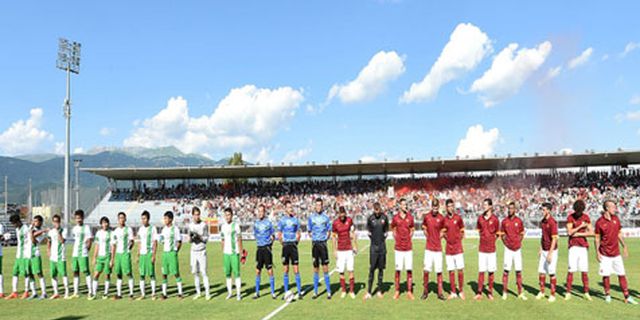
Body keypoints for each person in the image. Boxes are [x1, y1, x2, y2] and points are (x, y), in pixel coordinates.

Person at [595, 200, 638, 304]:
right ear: (607, 208)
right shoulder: (599, 222)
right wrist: (597, 252)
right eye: (613, 207)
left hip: (616, 253)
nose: (615, 209)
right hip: (604, 254)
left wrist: (624, 246)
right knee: (606, 275)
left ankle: (627, 296)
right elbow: (597, 238)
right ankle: (607, 295)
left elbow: (619, 234)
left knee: (622, 274)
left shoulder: (616, 219)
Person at [565, 199, 593, 301]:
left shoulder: (586, 217)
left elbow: (591, 233)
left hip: (583, 247)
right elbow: (569, 232)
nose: (579, 213)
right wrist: (580, 226)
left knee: (584, 270)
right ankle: (568, 292)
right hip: (573, 247)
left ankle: (586, 292)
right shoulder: (570, 217)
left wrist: (579, 234)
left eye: (580, 211)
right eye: (577, 211)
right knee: (571, 270)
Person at [500, 202, 526, 300]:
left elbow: (522, 233)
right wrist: (506, 243)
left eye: (512, 208)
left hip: (517, 249)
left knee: (518, 271)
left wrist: (518, 241)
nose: (510, 210)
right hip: (508, 250)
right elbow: (502, 234)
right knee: (506, 271)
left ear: (515, 210)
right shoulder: (504, 221)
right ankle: (504, 292)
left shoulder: (519, 221)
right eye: (509, 208)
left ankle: (520, 293)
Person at [278, 200, 303, 300]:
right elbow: (279, 234)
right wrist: (282, 243)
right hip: (285, 246)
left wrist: (296, 242)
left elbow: (299, 233)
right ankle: (286, 292)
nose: (290, 209)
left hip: (293, 246)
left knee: (296, 269)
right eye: (288, 207)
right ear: (285, 209)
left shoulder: (295, 220)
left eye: (291, 207)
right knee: (286, 270)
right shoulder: (282, 221)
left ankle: (299, 291)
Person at [308, 197, 332, 300]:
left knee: (325, 268)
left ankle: (329, 292)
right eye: (317, 205)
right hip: (315, 245)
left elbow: (329, 230)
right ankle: (315, 291)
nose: (318, 207)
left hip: (323, 244)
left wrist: (325, 239)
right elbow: (309, 230)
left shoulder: (326, 218)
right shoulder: (311, 218)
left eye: (320, 205)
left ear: (322, 206)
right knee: (315, 268)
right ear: (315, 206)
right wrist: (314, 238)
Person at [475, 198, 499, 301]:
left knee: (491, 271)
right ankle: (479, 292)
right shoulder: (480, 218)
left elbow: (497, 234)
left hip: (491, 250)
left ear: (490, 206)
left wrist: (492, 240)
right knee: (481, 271)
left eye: (485, 205)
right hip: (482, 249)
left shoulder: (495, 219)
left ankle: (490, 292)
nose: (483, 206)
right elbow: (479, 231)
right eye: (483, 205)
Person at [421, 199, 445, 301]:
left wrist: (438, 238)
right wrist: (429, 237)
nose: (435, 209)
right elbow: (424, 228)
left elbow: (443, 231)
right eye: (433, 207)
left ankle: (440, 293)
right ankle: (425, 292)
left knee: (439, 270)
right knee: (426, 270)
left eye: (436, 207)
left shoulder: (441, 218)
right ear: (431, 207)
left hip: (438, 248)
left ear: (438, 207)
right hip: (429, 248)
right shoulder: (427, 217)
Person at [364, 202, 389, 301]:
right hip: (373, 247)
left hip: (382, 247)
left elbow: (386, 232)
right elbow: (369, 233)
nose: (377, 212)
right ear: (374, 209)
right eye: (375, 210)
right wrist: (375, 241)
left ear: (380, 209)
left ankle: (379, 290)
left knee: (381, 269)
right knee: (372, 269)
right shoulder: (370, 218)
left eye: (378, 210)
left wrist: (381, 241)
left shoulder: (385, 218)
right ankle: (369, 292)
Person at [391, 198, 415, 300]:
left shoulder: (410, 217)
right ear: (400, 206)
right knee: (398, 270)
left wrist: (409, 237)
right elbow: (392, 229)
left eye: (406, 204)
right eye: (404, 205)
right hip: (399, 248)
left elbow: (412, 229)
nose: (406, 206)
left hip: (408, 248)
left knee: (409, 269)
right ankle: (397, 291)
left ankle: (409, 291)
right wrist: (397, 238)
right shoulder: (395, 218)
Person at [4, 214, 32, 300]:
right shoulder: (17, 229)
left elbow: (29, 241)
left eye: (14, 223)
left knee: (25, 273)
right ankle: (14, 292)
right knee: (15, 272)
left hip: (24, 254)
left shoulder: (25, 229)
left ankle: (27, 291)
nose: (13, 225)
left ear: (18, 222)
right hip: (18, 254)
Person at [332, 206, 357, 299]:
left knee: (351, 270)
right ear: (339, 214)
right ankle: (343, 290)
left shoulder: (349, 220)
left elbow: (353, 233)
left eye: (343, 214)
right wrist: (334, 249)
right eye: (340, 214)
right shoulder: (335, 223)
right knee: (341, 271)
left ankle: (351, 291)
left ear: (345, 213)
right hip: (340, 250)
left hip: (349, 249)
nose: (342, 215)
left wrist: (355, 245)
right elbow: (334, 237)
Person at [442, 199, 465, 300]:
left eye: (452, 206)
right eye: (449, 206)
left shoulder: (458, 218)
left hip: (458, 248)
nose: (451, 208)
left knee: (460, 270)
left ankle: (461, 291)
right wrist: (448, 240)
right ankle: (453, 292)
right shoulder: (444, 220)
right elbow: (443, 233)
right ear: (446, 207)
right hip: (449, 249)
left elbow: (462, 231)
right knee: (451, 270)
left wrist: (458, 240)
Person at [536, 203, 558, 303]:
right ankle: (542, 291)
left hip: (551, 250)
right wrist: (541, 248)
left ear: (548, 210)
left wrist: (550, 253)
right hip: (544, 249)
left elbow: (554, 239)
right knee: (541, 271)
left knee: (551, 272)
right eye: (542, 210)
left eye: (544, 210)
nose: (542, 211)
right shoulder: (543, 222)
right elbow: (543, 236)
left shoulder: (552, 222)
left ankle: (553, 294)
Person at [253, 204, 276, 299]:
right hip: (259, 249)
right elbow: (255, 235)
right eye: (259, 211)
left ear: (264, 212)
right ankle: (257, 292)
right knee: (258, 271)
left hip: (266, 249)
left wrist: (270, 244)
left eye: (262, 211)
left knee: (269, 271)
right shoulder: (256, 224)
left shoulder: (268, 223)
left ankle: (273, 292)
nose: (260, 213)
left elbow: (273, 235)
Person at [159, 211, 184, 299]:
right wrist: (161, 240)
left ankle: (180, 293)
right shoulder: (163, 229)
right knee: (164, 273)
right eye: (164, 218)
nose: (164, 220)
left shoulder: (175, 229)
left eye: (166, 218)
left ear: (170, 219)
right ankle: (164, 294)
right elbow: (161, 240)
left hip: (172, 253)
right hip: (165, 254)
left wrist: (175, 251)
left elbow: (179, 241)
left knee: (176, 273)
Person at [221, 207, 243, 301]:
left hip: (234, 252)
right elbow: (222, 240)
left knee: (237, 273)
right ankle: (230, 293)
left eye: (229, 215)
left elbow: (239, 239)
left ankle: (238, 293)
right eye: (226, 215)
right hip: (226, 253)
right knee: (227, 273)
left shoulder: (236, 226)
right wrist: (223, 250)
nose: (227, 217)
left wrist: (241, 252)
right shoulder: (223, 226)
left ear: (232, 215)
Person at [111, 212, 135, 300]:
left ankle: (131, 294)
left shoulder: (128, 229)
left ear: (125, 219)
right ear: (118, 219)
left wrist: (129, 249)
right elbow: (113, 245)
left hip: (125, 254)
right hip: (118, 255)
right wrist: (112, 259)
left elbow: (132, 241)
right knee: (118, 274)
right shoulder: (115, 231)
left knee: (128, 273)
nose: (121, 219)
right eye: (120, 218)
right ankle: (119, 294)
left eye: (123, 218)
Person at [188, 206, 210, 300]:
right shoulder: (190, 225)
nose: (197, 216)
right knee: (195, 272)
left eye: (198, 214)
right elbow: (189, 240)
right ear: (192, 215)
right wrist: (191, 238)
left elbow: (206, 239)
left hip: (201, 251)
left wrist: (199, 237)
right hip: (193, 251)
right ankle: (198, 292)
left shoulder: (204, 225)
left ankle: (207, 293)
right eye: (195, 215)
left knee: (203, 272)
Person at [71, 210, 93, 298]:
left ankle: (90, 291)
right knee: (75, 272)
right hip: (75, 253)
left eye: (79, 218)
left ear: (83, 218)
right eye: (76, 218)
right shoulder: (74, 228)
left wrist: (87, 249)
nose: (78, 220)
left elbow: (90, 240)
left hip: (83, 253)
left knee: (86, 271)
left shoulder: (86, 228)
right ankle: (76, 292)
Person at [47, 214, 69, 299]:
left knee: (63, 274)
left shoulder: (64, 230)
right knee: (53, 275)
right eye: (54, 221)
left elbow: (62, 241)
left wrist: (58, 232)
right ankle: (56, 292)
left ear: (60, 222)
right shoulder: (51, 232)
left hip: (61, 256)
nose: (56, 223)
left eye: (57, 221)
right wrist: (48, 251)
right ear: (52, 222)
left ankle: (66, 292)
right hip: (53, 257)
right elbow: (49, 242)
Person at [137, 210, 158, 300]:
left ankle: (153, 294)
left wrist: (153, 255)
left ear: (148, 219)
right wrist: (138, 254)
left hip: (149, 254)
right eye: (142, 219)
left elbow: (155, 242)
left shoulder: (153, 229)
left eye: (144, 218)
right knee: (142, 275)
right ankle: (143, 294)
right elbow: (139, 242)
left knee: (151, 274)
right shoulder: (140, 229)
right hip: (142, 254)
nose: (143, 220)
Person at [90, 217, 112, 300]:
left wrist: (112, 259)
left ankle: (106, 293)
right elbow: (97, 246)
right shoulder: (98, 233)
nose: (105, 224)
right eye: (103, 223)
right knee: (96, 274)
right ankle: (93, 293)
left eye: (106, 222)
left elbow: (113, 246)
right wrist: (94, 257)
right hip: (100, 257)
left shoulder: (111, 233)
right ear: (101, 224)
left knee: (107, 275)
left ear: (108, 224)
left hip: (107, 256)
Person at [28, 215, 48, 299]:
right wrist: (31, 230)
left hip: (35, 254)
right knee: (29, 273)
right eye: (34, 221)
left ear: (40, 222)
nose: (34, 222)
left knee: (39, 273)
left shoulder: (41, 232)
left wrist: (31, 232)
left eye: (36, 221)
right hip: (27, 254)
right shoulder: (31, 228)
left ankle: (44, 293)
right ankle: (34, 292)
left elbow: (33, 240)